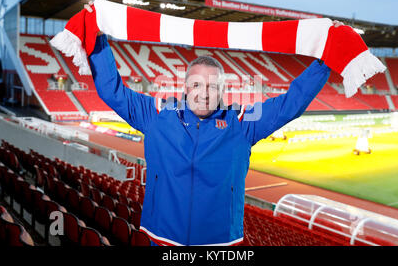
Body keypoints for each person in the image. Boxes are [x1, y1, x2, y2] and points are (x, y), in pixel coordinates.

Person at [89, 21, 342, 245]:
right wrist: (98, 40)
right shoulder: (157, 116)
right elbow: (113, 91)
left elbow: (291, 104)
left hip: (221, 245)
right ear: (186, 88)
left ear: (222, 90)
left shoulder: (243, 123)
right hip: (161, 238)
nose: (204, 93)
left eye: (212, 86)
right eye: (197, 85)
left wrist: (327, 59)